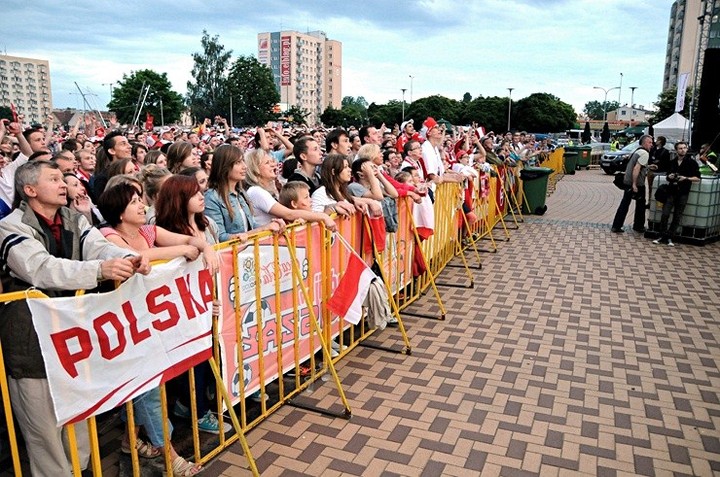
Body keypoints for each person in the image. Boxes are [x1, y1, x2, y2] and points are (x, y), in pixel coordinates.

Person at [0, 161, 150, 476]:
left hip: (71, 335)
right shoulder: (9, 225)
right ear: (30, 190)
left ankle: (79, 470)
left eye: (61, 178)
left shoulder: (73, 219)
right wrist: (99, 270)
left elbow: (98, 247)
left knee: (79, 413)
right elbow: (39, 268)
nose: (63, 184)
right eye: (53, 179)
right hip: (30, 342)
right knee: (43, 427)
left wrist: (126, 259)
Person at [97, 182, 215, 474]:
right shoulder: (107, 235)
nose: (142, 205)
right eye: (134, 201)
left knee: (146, 385)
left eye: (141, 199)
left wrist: (205, 247)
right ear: (119, 212)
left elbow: (193, 242)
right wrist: (183, 250)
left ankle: (130, 441)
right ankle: (170, 456)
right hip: (125, 325)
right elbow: (138, 260)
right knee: (147, 387)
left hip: (153, 321)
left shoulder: (148, 231)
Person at [154, 175, 230, 435]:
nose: (201, 196)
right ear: (178, 199)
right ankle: (195, 411)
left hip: (212, 298)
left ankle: (204, 404)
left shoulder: (206, 224)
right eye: (194, 193)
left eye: (201, 191)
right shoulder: (164, 230)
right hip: (186, 306)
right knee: (193, 360)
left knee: (212, 355)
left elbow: (220, 255)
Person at [204, 144, 284, 243]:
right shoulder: (211, 197)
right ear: (224, 166)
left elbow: (251, 226)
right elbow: (219, 237)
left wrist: (271, 226)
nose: (245, 167)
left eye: (243, 161)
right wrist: (262, 229)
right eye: (238, 162)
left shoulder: (241, 193)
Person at [243, 148, 337, 230]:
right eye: (267, 163)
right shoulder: (256, 191)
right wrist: (323, 217)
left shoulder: (268, 189)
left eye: (272, 161)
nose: (273, 165)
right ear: (255, 169)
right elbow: (289, 214)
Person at [653, 141, 701, 246]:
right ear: (676, 150)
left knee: (677, 215)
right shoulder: (672, 162)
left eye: (684, 148)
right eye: (680, 148)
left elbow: (697, 178)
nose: (683, 150)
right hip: (671, 191)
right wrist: (669, 177)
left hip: (683, 192)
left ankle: (670, 236)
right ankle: (662, 235)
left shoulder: (692, 163)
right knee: (665, 214)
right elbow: (667, 175)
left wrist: (686, 178)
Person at [611, 135, 653, 233]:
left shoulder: (636, 151)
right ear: (644, 143)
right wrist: (634, 184)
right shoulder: (644, 153)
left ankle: (616, 225)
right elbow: (636, 168)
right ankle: (638, 226)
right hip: (637, 183)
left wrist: (648, 167)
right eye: (649, 142)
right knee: (640, 204)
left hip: (627, 181)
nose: (651, 145)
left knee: (625, 204)